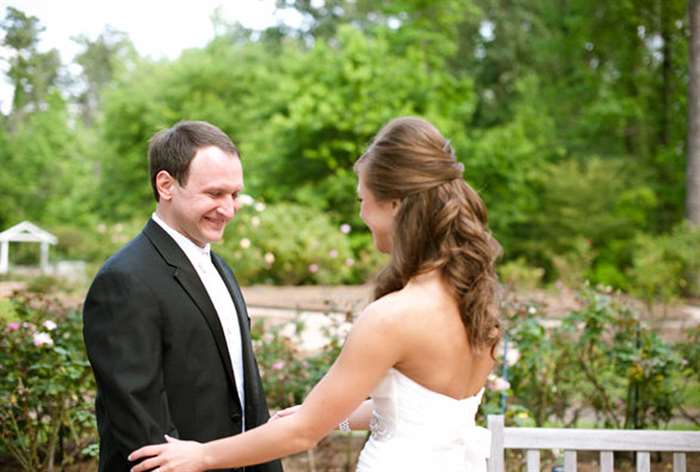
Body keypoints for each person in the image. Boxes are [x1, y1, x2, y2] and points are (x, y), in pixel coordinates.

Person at [129, 116, 502, 472]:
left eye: (362, 200)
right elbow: (420, 411)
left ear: (395, 203)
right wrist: (331, 416)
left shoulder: (393, 317)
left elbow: (302, 432)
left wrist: (201, 456)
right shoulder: (476, 306)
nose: (362, 215)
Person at [82, 120, 283, 472]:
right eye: (214, 194)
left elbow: (246, 395)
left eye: (234, 195)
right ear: (166, 185)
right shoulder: (124, 280)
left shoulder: (221, 268)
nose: (229, 209)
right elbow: (142, 426)